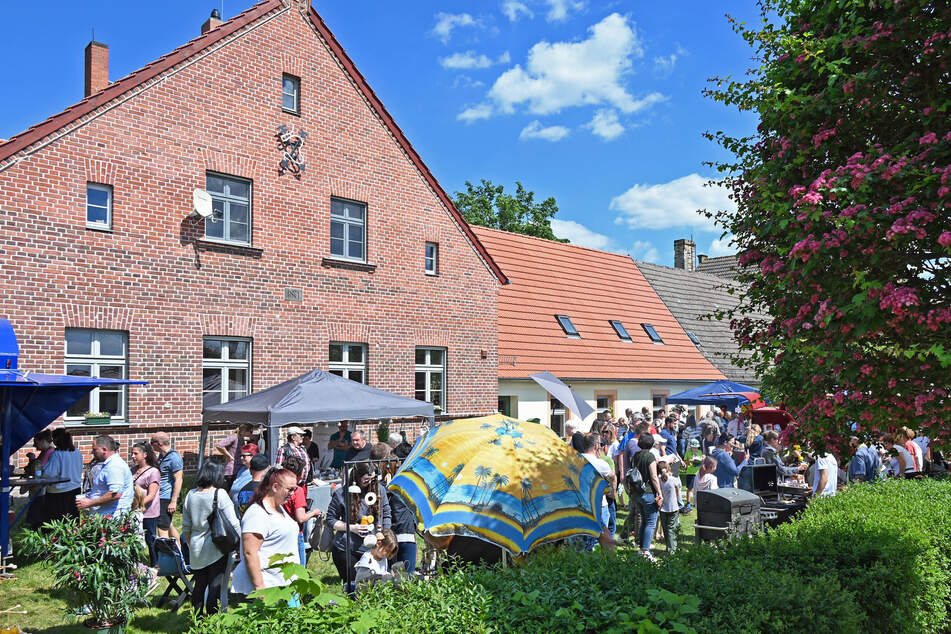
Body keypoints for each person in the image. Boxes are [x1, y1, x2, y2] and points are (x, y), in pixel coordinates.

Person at [232, 468, 301, 599]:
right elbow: (249, 552)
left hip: (283, 583)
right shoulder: (257, 513)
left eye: (294, 489)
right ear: (275, 487)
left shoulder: (279, 508)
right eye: (289, 489)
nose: (292, 494)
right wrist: (260, 587)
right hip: (268, 587)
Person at [181, 460, 240, 614]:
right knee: (215, 586)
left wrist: (190, 544)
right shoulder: (219, 494)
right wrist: (239, 544)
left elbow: (186, 526)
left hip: (195, 546)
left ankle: (198, 619)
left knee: (199, 585)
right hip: (217, 547)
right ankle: (212, 620)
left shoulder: (190, 494)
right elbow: (234, 523)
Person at [326, 461, 392, 593]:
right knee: (354, 588)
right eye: (366, 479)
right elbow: (330, 520)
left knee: (374, 588)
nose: (370, 482)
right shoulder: (342, 494)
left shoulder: (379, 490)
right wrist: (352, 528)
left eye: (373, 479)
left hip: (373, 548)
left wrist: (384, 534)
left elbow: (386, 513)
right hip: (346, 548)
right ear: (356, 477)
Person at [30, 429, 83, 526]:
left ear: (57, 440)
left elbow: (49, 474)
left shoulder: (57, 454)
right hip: (75, 489)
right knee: (72, 522)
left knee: (57, 523)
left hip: (58, 493)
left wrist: (41, 469)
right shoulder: (77, 452)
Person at [76, 435, 134, 516]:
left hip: (113, 517)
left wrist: (90, 503)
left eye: (94, 449)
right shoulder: (109, 464)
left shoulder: (114, 466)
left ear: (104, 449)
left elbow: (115, 494)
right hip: (106, 515)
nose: (92, 452)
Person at [281, 455, 323, 564]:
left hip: (280, 532)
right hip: (294, 533)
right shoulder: (297, 490)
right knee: (299, 568)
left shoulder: (277, 487)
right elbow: (301, 518)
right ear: (299, 474)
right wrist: (314, 513)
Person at [580, 433, 616, 549]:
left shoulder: (575, 459)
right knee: (604, 537)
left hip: (579, 504)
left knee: (583, 537)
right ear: (596, 446)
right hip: (599, 505)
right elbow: (612, 476)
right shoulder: (601, 464)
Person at [631, 433, 663, 561]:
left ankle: (642, 547)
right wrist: (659, 492)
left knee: (644, 520)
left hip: (636, 492)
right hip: (648, 492)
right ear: (651, 443)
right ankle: (645, 551)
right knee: (651, 522)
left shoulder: (635, 456)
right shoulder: (650, 456)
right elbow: (654, 476)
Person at [131, 441, 161, 565]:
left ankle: (156, 564)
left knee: (150, 539)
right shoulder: (133, 470)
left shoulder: (153, 472)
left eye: (135, 453)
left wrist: (138, 505)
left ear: (145, 455)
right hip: (134, 511)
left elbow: (151, 495)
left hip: (148, 512)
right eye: (132, 453)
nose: (132, 456)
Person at [150, 432, 183, 540]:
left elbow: (178, 480)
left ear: (159, 443)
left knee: (162, 528)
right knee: (168, 525)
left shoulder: (174, 458)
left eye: (152, 443)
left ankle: (165, 554)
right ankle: (180, 551)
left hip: (167, 497)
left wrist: (173, 501)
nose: (151, 445)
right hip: (161, 495)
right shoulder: (161, 456)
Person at [657, 462, 681, 555]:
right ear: (668, 468)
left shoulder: (658, 480)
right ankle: (672, 550)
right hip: (673, 507)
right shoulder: (673, 479)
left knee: (666, 529)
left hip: (662, 508)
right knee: (671, 528)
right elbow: (677, 491)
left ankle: (669, 547)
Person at [680, 438, 703, 512]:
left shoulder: (700, 452)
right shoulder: (688, 452)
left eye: (696, 447)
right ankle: (688, 503)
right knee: (689, 488)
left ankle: (698, 502)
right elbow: (685, 462)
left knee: (699, 488)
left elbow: (702, 462)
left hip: (698, 472)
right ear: (691, 447)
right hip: (690, 472)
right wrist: (689, 461)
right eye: (694, 447)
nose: (695, 448)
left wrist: (702, 460)